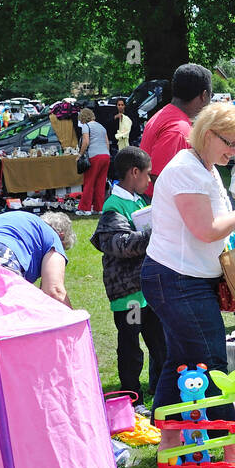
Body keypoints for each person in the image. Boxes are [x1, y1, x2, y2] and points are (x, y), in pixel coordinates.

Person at [140, 102, 235, 467]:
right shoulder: (187, 171)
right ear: (207, 133)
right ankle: (231, 448)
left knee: (180, 360)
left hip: (185, 279)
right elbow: (205, 229)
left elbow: (210, 226)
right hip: (177, 281)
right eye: (230, 142)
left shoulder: (203, 167)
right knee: (212, 362)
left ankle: (168, 444)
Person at [91, 146, 166, 407]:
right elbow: (118, 244)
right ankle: (132, 398)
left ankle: (162, 391)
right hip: (129, 296)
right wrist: (154, 233)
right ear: (134, 173)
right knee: (131, 348)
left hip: (146, 291)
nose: (149, 180)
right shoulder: (114, 205)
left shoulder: (139, 201)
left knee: (160, 343)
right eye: (147, 175)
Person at [139, 63, 212, 191]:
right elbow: (159, 177)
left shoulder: (164, 114)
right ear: (204, 95)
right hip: (160, 205)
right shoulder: (178, 129)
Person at [76, 107, 111, 216]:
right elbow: (107, 143)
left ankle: (85, 209)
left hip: (94, 156)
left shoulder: (86, 127)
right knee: (100, 183)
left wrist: (80, 155)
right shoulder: (102, 127)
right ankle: (99, 208)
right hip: (106, 156)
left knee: (89, 183)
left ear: (83, 118)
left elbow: (86, 141)